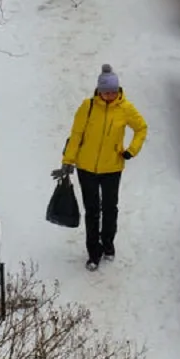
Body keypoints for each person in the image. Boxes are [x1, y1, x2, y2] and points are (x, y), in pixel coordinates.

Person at [52, 65, 148, 270]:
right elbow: (76, 135)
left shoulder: (126, 109)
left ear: (118, 90)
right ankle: (93, 253)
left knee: (110, 208)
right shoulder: (87, 107)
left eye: (113, 91)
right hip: (86, 168)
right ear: (98, 90)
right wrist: (68, 161)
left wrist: (131, 150)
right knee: (92, 210)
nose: (109, 95)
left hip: (112, 168)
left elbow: (141, 128)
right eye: (106, 91)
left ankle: (108, 243)